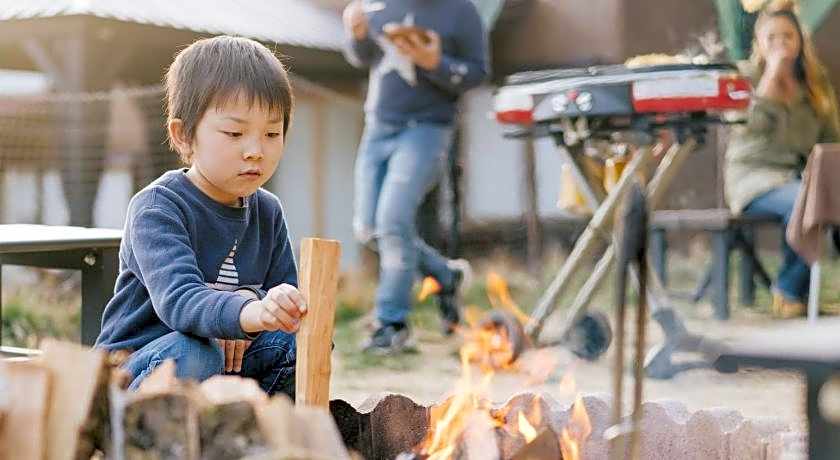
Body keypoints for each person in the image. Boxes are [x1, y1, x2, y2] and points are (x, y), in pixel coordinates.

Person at [95, 36, 306, 397]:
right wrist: (249, 312)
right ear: (183, 136)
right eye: (235, 133)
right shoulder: (158, 207)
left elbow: (280, 298)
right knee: (197, 351)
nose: (255, 151)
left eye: (272, 133)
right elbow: (180, 301)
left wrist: (273, 307)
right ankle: (133, 424)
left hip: (225, 364)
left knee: (296, 342)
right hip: (142, 366)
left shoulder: (267, 211)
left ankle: (255, 423)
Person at [342, 0, 489, 353]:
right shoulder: (380, 4)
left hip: (427, 130)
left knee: (393, 221)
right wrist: (357, 35)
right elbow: (363, 57)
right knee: (369, 228)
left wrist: (435, 63)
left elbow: (478, 73)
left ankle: (391, 323)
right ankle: (445, 275)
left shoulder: (462, 11)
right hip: (378, 125)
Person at [725, 0, 840, 318]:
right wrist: (771, 79)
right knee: (807, 202)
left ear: (800, 40)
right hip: (753, 179)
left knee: (824, 197)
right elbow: (749, 126)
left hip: (800, 177)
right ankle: (788, 291)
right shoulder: (746, 77)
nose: (780, 43)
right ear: (759, 42)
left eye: (787, 36)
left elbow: (831, 138)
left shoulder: (814, 84)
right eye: (772, 37)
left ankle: (804, 293)